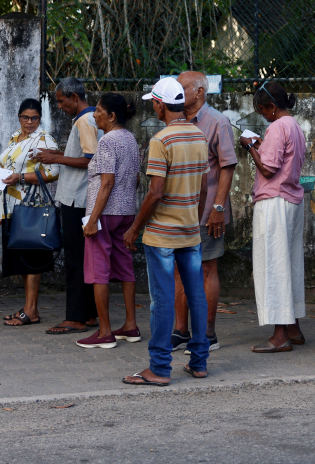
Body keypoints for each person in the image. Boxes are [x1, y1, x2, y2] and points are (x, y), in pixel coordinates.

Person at [121, 77, 210, 386]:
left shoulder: (162, 141)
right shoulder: (198, 136)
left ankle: (159, 368)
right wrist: (194, 221)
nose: (154, 108)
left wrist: (135, 228)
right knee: (196, 296)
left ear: (160, 104)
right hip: (189, 232)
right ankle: (199, 362)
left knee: (162, 300)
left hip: (162, 235)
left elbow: (155, 192)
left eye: (153, 103)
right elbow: (203, 187)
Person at [172, 71, 238, 353]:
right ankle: (180, 331)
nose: (178, 93)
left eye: (182, 88)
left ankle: (208, 333)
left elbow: (227, 166)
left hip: (208, 209)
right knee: (178, 269)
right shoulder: (176, 120)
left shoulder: (218, 122)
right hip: (180, 209)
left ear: (199, 91)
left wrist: (218, 208)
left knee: (206, 268)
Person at [241, 81, 307, 353]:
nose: (263, 115)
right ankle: (293, 327)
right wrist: (261, 143)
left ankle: (280, 335)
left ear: (272, 106)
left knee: (273, 265)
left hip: (274, 202)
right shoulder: (294, 126)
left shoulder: (278, 126)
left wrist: (250, 146)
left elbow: (267, 169)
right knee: (289, 263)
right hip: (290, 200)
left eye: (263, 110)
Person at [77, 93, 142, 349]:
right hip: (126, 211)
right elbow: (134, 178)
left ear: (112, 116)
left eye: (99, 111)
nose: (94, 115)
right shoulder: (130, 138)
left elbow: (107, 182)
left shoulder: (107, 141)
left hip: (104, 214)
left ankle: (104, 332)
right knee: (125, 266)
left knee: (98, 271)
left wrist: (92, 220)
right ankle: (130, 325)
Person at [35, 78, 98, 336]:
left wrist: (56, 157)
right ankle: (89, 313)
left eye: (61, 100)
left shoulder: (85, 120)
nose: (59, 106)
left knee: (75, 260)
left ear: (74, 97)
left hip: (77, 198)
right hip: (82, 197)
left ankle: (76, 317)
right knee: (85, 259)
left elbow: (90, 159)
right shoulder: (93, 117)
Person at [0, 98, 56, 327]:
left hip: (32, 206)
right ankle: (29, 307)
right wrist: (0, 200)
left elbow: (54, 171)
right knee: (20, 258)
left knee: (32, 257)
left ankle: (31, 310)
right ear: (19, 117)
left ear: (40, 118)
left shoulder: (44, 139)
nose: (29, 122)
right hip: (11, 204)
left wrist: (21, 178)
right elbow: (4, 171)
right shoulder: (13, 137)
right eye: (25, 117)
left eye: (34, 118)